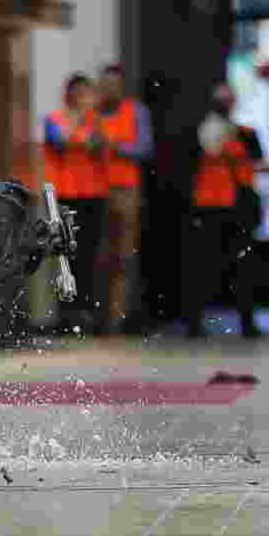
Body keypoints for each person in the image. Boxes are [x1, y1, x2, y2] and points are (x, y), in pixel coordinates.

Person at [185, 83, 265, 339]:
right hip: (210, 207)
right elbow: (208, 149)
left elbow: (257, 157)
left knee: (244, 267)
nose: (225, 104)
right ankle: (195, 323)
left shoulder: (245, 132)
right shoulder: (202, 130)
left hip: (238, 206)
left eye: (228, 100)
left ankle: (247, 322)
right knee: (204, 266)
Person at [42, 73, 108, 333]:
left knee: (89, 255)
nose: (83, 99)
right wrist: (79, 128)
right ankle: (65, 315)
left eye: (87, 93)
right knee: (64, 255)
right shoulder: (54, 119)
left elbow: (97, 145)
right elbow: (57, 141)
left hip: (93, 195)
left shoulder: (96, 122)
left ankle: (87, 313)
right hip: (66, 196)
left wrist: (81, 134)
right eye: (79, 93)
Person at [96, 64, 153, 334]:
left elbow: (144, 147)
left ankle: (119, 317)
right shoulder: (91, 113)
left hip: (126, 191)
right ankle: (98, 315)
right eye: (105, 84)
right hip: (94, 191)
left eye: (114, 85)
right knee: (99, 253)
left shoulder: (137, 112)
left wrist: (115, 147)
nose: (110, 89)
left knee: (124, 255)